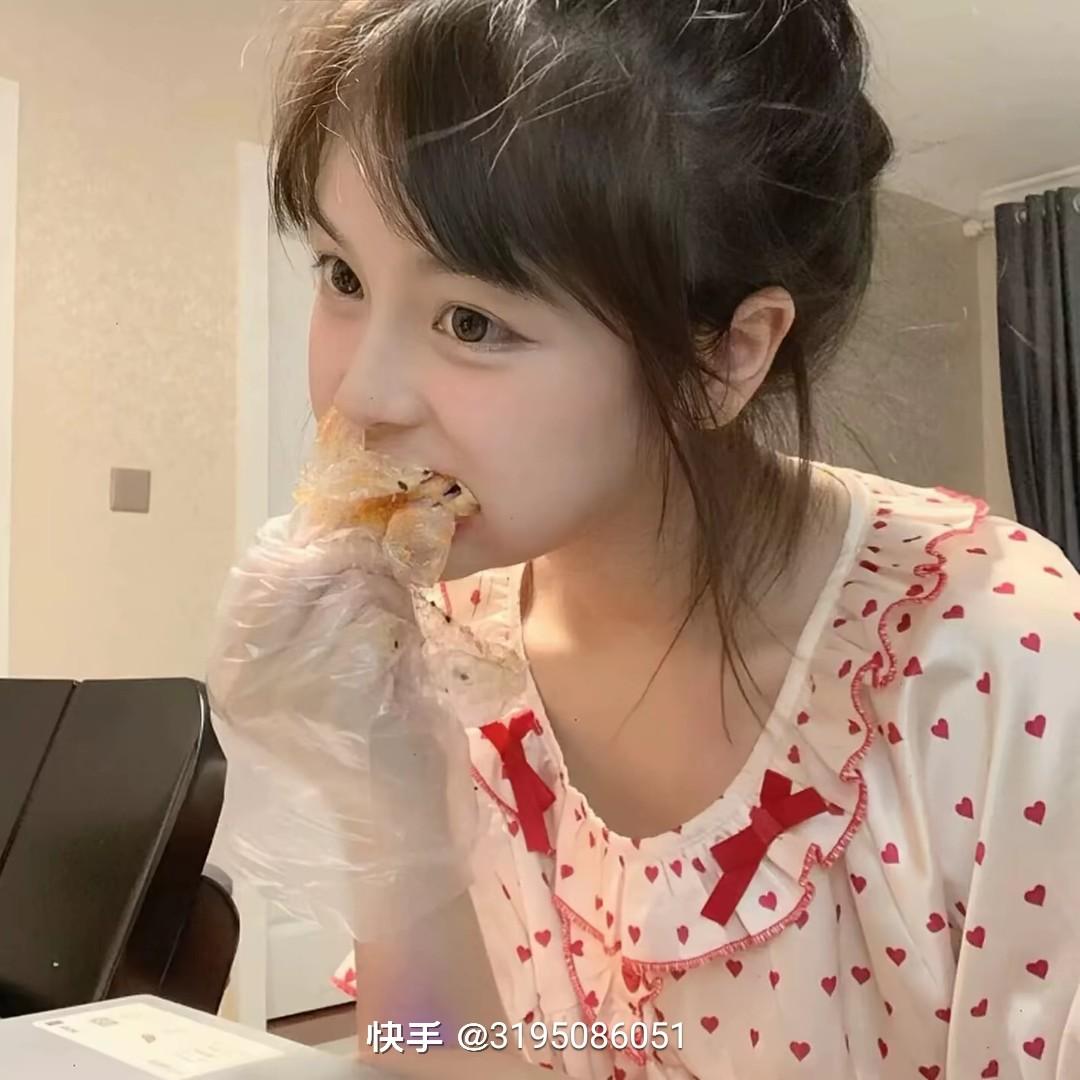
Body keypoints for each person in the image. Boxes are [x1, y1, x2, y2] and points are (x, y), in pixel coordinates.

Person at [250, 1, 1080, 1076]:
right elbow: (429, 1049)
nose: (358, 400)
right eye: (343, 276)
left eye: (472, 321)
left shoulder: (998, 658)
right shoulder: (435, 649)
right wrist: (390, 795)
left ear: (725, 356)